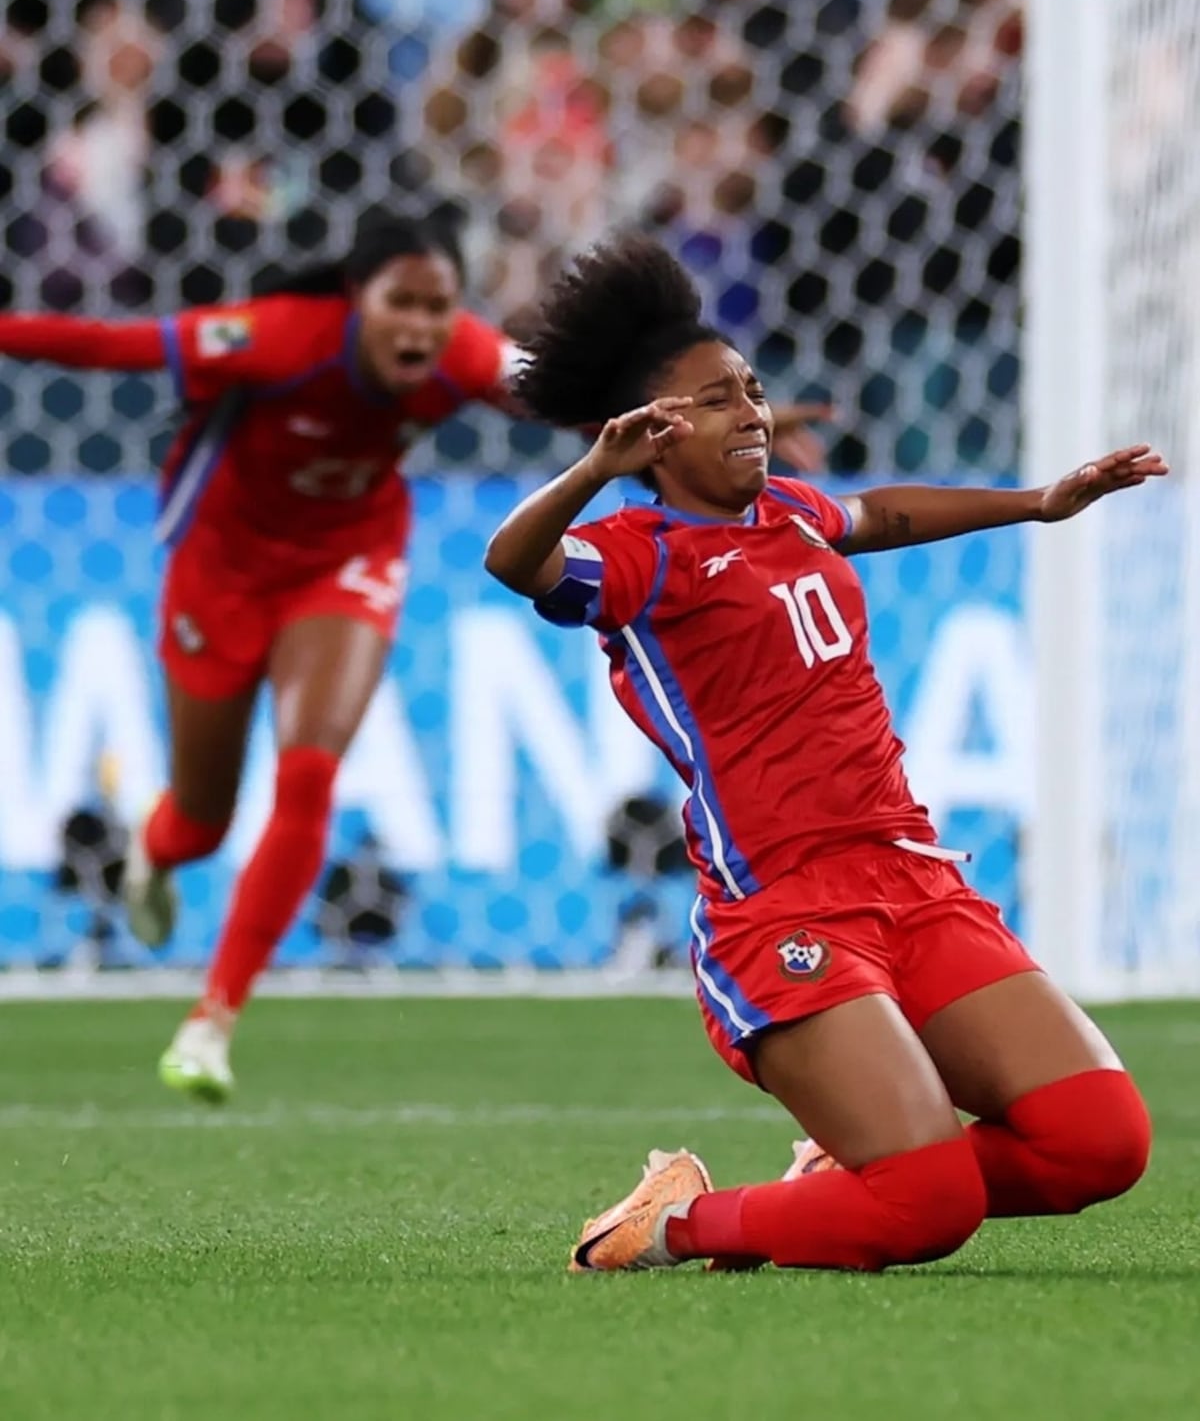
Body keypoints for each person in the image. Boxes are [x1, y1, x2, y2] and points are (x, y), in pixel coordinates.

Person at [484, 234, 1163, 1275]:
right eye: (716, 400)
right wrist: (592, 473)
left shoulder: (791, 514)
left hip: (912, 879)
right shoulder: (637, 559)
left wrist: (1039, 501)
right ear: (653, 434)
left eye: (752, 390)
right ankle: (669, 1224)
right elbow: (515, 562)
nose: (752, 413)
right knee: (928, 1209)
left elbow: (878, 512)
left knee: (1100, 1143)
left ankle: (844, 1182)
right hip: (784, 908)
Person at [0, 212, 522, 1101]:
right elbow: (109, 346)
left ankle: (212, 1022)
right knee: (202, 821)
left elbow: (588, 397)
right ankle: (156, 846)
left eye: (439, 307)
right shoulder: (278, 337)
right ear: (355, 300)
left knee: (309, 773)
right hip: (222, 572)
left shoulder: (469, 356)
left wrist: (724, 417)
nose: (421, 326)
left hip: (346, 561)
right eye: (400, 303)